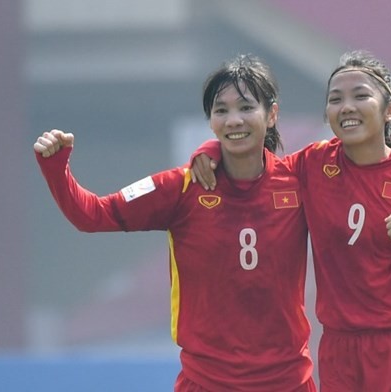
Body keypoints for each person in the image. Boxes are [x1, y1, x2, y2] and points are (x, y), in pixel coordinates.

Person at [191, 50, 391, 391]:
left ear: (389, 110)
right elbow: (258, 167)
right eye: (335, 99)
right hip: (340, 351)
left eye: (361, 96)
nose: (347, 107)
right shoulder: (313, 163)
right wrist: (209, 149)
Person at [34, 55, 317, 392]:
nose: (233, 120)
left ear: (271, 115)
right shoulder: (180, 187)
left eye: (245, 107)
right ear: (210, 122)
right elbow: (92, 215)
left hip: (287, 383)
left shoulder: (299, 180)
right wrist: (56, 169)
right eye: (221, 110)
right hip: (207, 383)